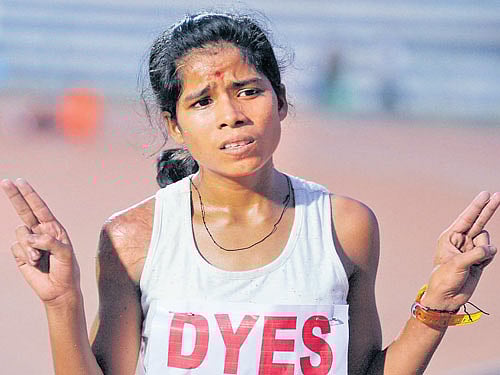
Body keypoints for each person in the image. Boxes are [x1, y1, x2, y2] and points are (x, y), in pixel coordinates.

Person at [1, 12, 499, 375]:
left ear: (280, 101)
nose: (231, 115)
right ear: (175, 125)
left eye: (248, 90)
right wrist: (62, 301)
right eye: (202, 101)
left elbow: (365, 371)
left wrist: (439, 300)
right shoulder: (134, 238)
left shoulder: (343, 226)